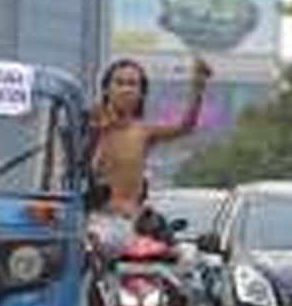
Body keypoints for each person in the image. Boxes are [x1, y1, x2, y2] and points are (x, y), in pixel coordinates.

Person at [85, 57, 212, 257]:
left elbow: (184, 127)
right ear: (106, 89)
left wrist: (198, 89)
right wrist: (97, 129)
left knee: (181, 257)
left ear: (141, 93)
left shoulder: (143, 131)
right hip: (94, 222)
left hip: (129, 224)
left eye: (132, 84)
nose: (126, 89)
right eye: (119, 83)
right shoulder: (90, 124)